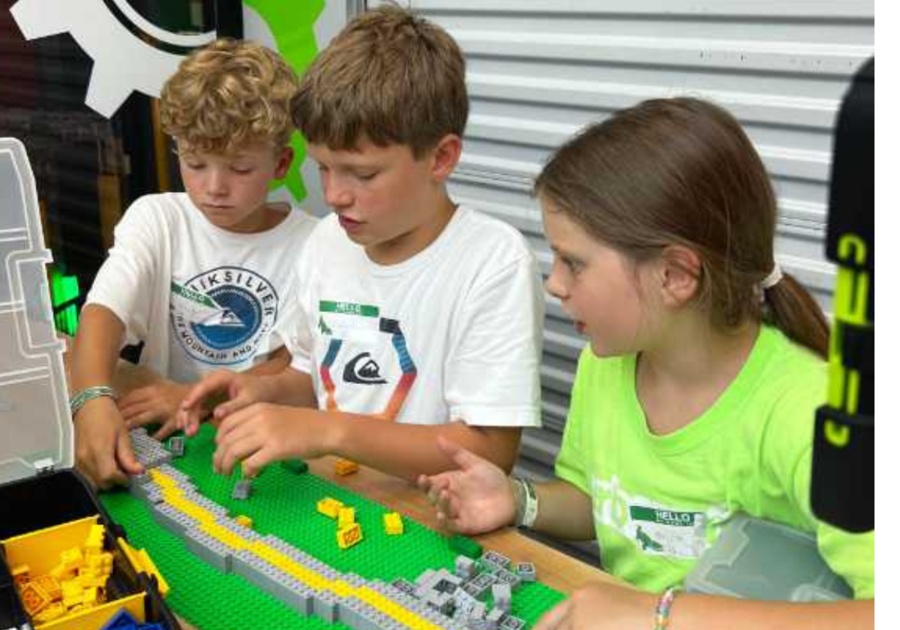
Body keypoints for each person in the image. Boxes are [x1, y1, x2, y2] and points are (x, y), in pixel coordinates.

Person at [418, 98, 874, 629]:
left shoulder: (810, 416)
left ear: (676, 275)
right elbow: (608, 504)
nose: (555, 284)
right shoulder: (607, 363)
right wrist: (520, 501)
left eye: (574, 263)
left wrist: (660, 616)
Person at [177, 4, 544, 481]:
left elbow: (490, 452)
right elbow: (312, 378)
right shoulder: (327, 242)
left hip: (430, 519)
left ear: (441, 158)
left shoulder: (492, 262)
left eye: (363, 173)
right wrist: (259, 390)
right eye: (324, 167)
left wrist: (330, 431)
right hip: (336, 499)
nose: (333, 195)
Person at [71, 38, 317, 488]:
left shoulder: (315, 244)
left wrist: (193, 399)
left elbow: (292, 364)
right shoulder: (157, 218)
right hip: (164, 438)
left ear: (281, 162)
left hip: (261, 448)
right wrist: (90, 398)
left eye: (239, 169)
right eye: (196, 162)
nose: (214, 187)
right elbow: (103, 310)